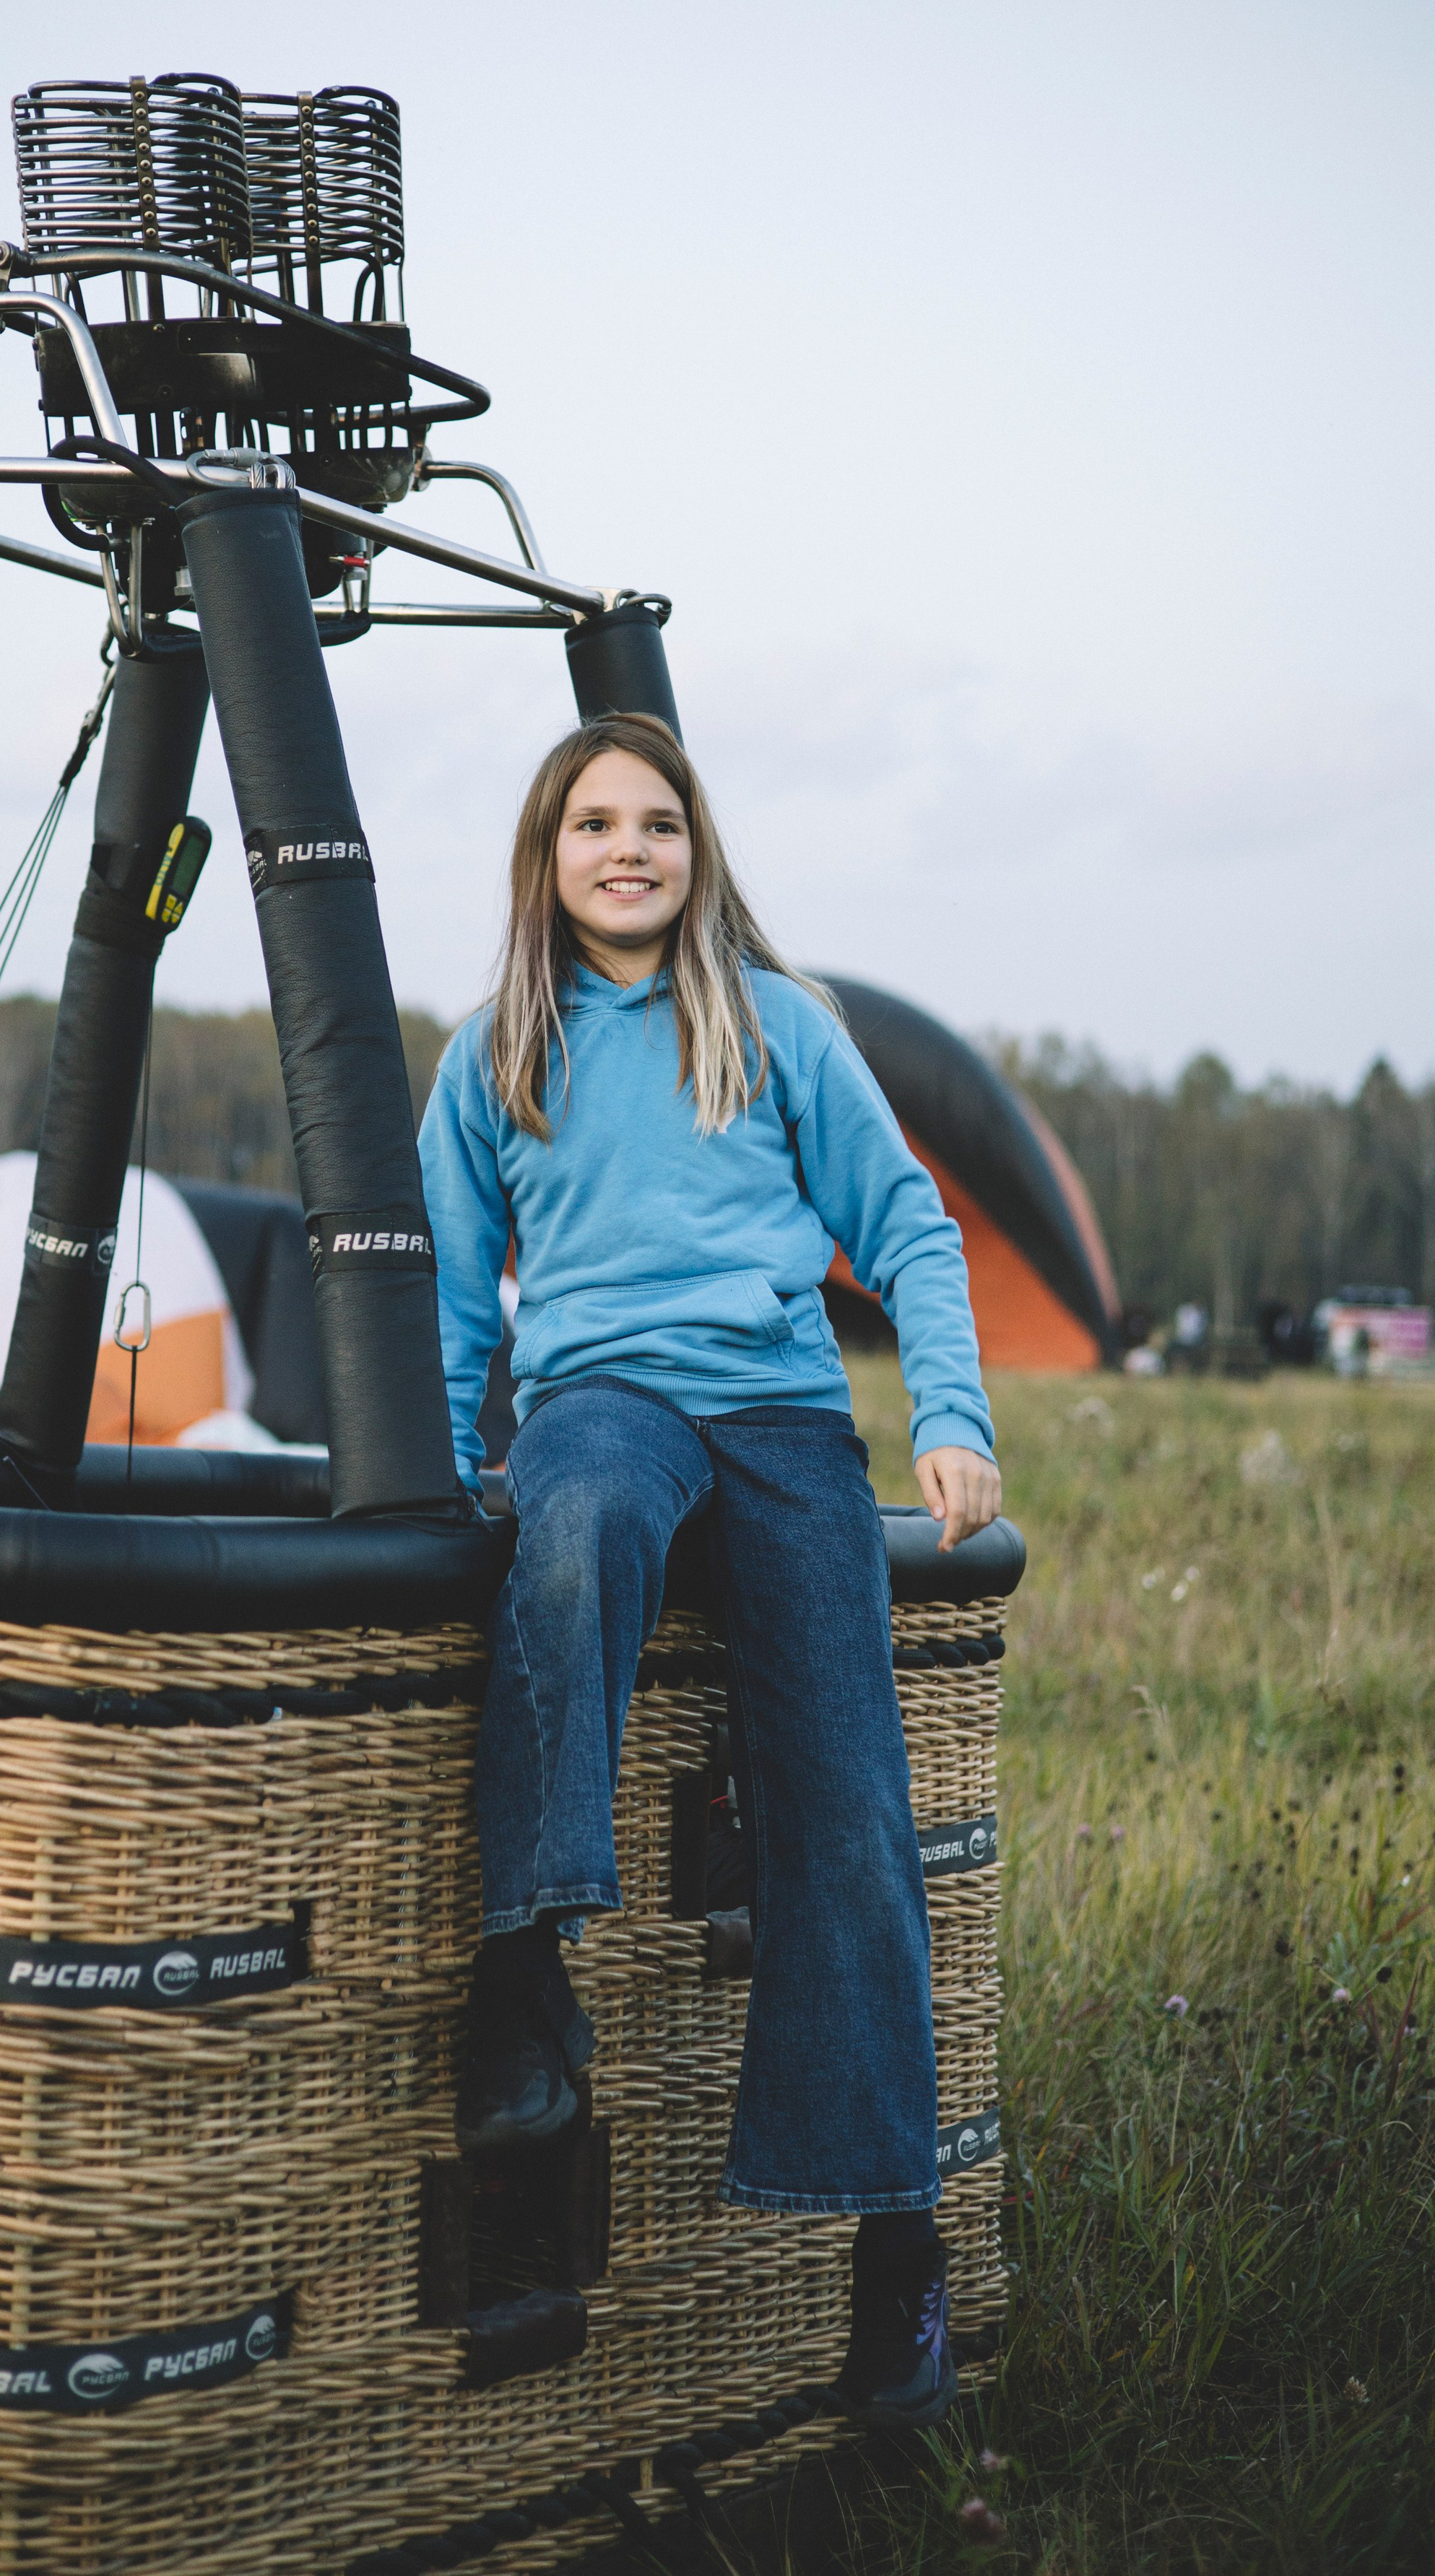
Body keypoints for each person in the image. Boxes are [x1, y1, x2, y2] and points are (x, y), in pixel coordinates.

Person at [417, 713, 1002, 2431]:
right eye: (591, 823)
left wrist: (948, 1417)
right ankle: (527, 1977)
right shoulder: (491, 1056)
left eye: (656, 824)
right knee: (572, 1519)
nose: (626, 849)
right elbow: (459, 1301)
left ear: (697, 850)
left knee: (846, 1805)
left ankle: (895, 2252)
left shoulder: (772, 1022)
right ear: (545, 856)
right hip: (601, 1403)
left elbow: (906, 1223)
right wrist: (458, 1465)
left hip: (781, 1422)